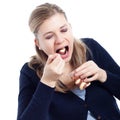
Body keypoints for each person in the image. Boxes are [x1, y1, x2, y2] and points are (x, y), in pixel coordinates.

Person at [17, 2, 120, 120]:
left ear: (70, 28)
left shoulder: (91, 48)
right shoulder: (29, 72)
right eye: (49, 36)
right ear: (38, 43)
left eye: (64, 30)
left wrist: (103, 75)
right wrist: (47, 82)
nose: (60, 40)